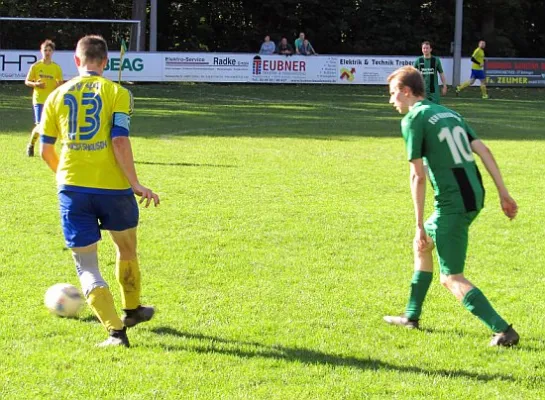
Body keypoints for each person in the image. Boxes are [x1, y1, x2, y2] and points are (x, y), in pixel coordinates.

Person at [383, 65, 519, 347]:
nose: (391, 101)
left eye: (393, 94)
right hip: (474, 195)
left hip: (452, 203)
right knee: (422, 246)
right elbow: (483, 150)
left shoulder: (413, 120)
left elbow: (417, 176)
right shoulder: (448, 113)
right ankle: (411, 316)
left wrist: (419, 224)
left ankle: (503, 330)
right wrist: (503, 194)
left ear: (407, 92)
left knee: (451, 276)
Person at [40, 35, 160, 348]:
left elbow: (45, 150)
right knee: (127, 249)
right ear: (105, 62)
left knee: (87, 265)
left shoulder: (56, 95)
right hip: (115, 189)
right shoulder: (119, 93)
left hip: (74, 189)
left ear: (76, 61)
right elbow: (119, 140)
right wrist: (135, 183)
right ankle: (130, 311)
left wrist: (64, 176)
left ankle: (118, 329)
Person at [24, 39, 63, 157]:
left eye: (49, 50)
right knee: (40, 125)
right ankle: (31, 145)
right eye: (45, 50)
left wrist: (58, 85)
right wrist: (36, 85)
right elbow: (27, 81)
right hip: (39, 100)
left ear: (53, 52)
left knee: (54, 126)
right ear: (41, 51)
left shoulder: (56, 68)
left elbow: (60, 84)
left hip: (51, 101)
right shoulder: (36, 66)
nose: (47, 52)